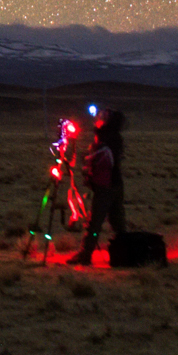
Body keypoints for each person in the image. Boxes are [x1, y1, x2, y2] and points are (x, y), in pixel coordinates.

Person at [69, 109, 127, 265]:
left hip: (106, 187)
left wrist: (87, 160)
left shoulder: (107, 139)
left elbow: (101, 158)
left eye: (103, 118)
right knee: (118, 222)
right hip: (115, 184)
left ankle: (85, 255)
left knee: (94, 222)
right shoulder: (114, 137)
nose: (98, 119)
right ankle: (126, 252)